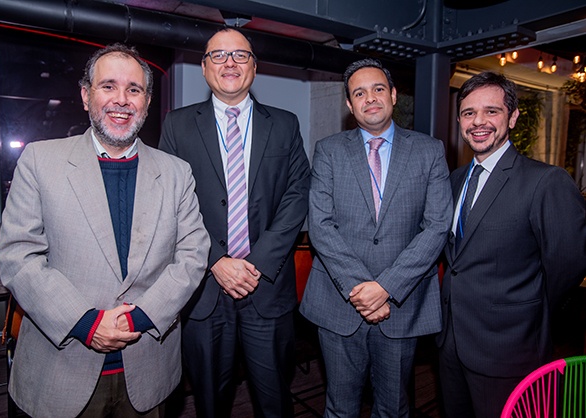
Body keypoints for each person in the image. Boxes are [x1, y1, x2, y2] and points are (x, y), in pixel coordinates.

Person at [0, 44, 210, 417]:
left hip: (149, 368)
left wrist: (138, 317)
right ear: (86, 95)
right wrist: (86, 322)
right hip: (61, 369)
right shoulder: (40, 161)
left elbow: (193, 256)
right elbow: (18, 257)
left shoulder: (177, 173)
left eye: (134, 89)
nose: (121, 100)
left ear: (146, 102)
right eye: (108, 86)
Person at [158, 28, 310, 417]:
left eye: (240, 55)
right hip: (204, 288)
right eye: (219, 55)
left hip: (267, 286)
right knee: (210, 402)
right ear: (204, 67)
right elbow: (170, 202)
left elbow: (297, 196)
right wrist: (215, 260)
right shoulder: (177, 125)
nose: (230, 62)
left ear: (254, 67)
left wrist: (256, 263)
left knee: (275, 402)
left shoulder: (285, 124)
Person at [300, 58, 452, 417]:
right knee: (340, 408)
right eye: (359, 93)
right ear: (349, 104)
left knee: (393, 408)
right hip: (339, 303)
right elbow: (320, 225)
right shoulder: (328, 150)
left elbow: (437, 226)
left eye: (378, 89)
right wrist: (362, 290)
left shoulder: (429, 150)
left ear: (394, 95)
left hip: (402, 303)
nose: (370, 98)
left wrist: (386, 287)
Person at [437, 71, 586, 418]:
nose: (478, 121)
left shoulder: (545, 181)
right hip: (451, 345)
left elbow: (569, 262)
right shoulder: (454, 180)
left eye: (491, 111)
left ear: (513, 117)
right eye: (469, 112)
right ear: (459, 121)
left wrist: (528, 309)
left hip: (508, 348)